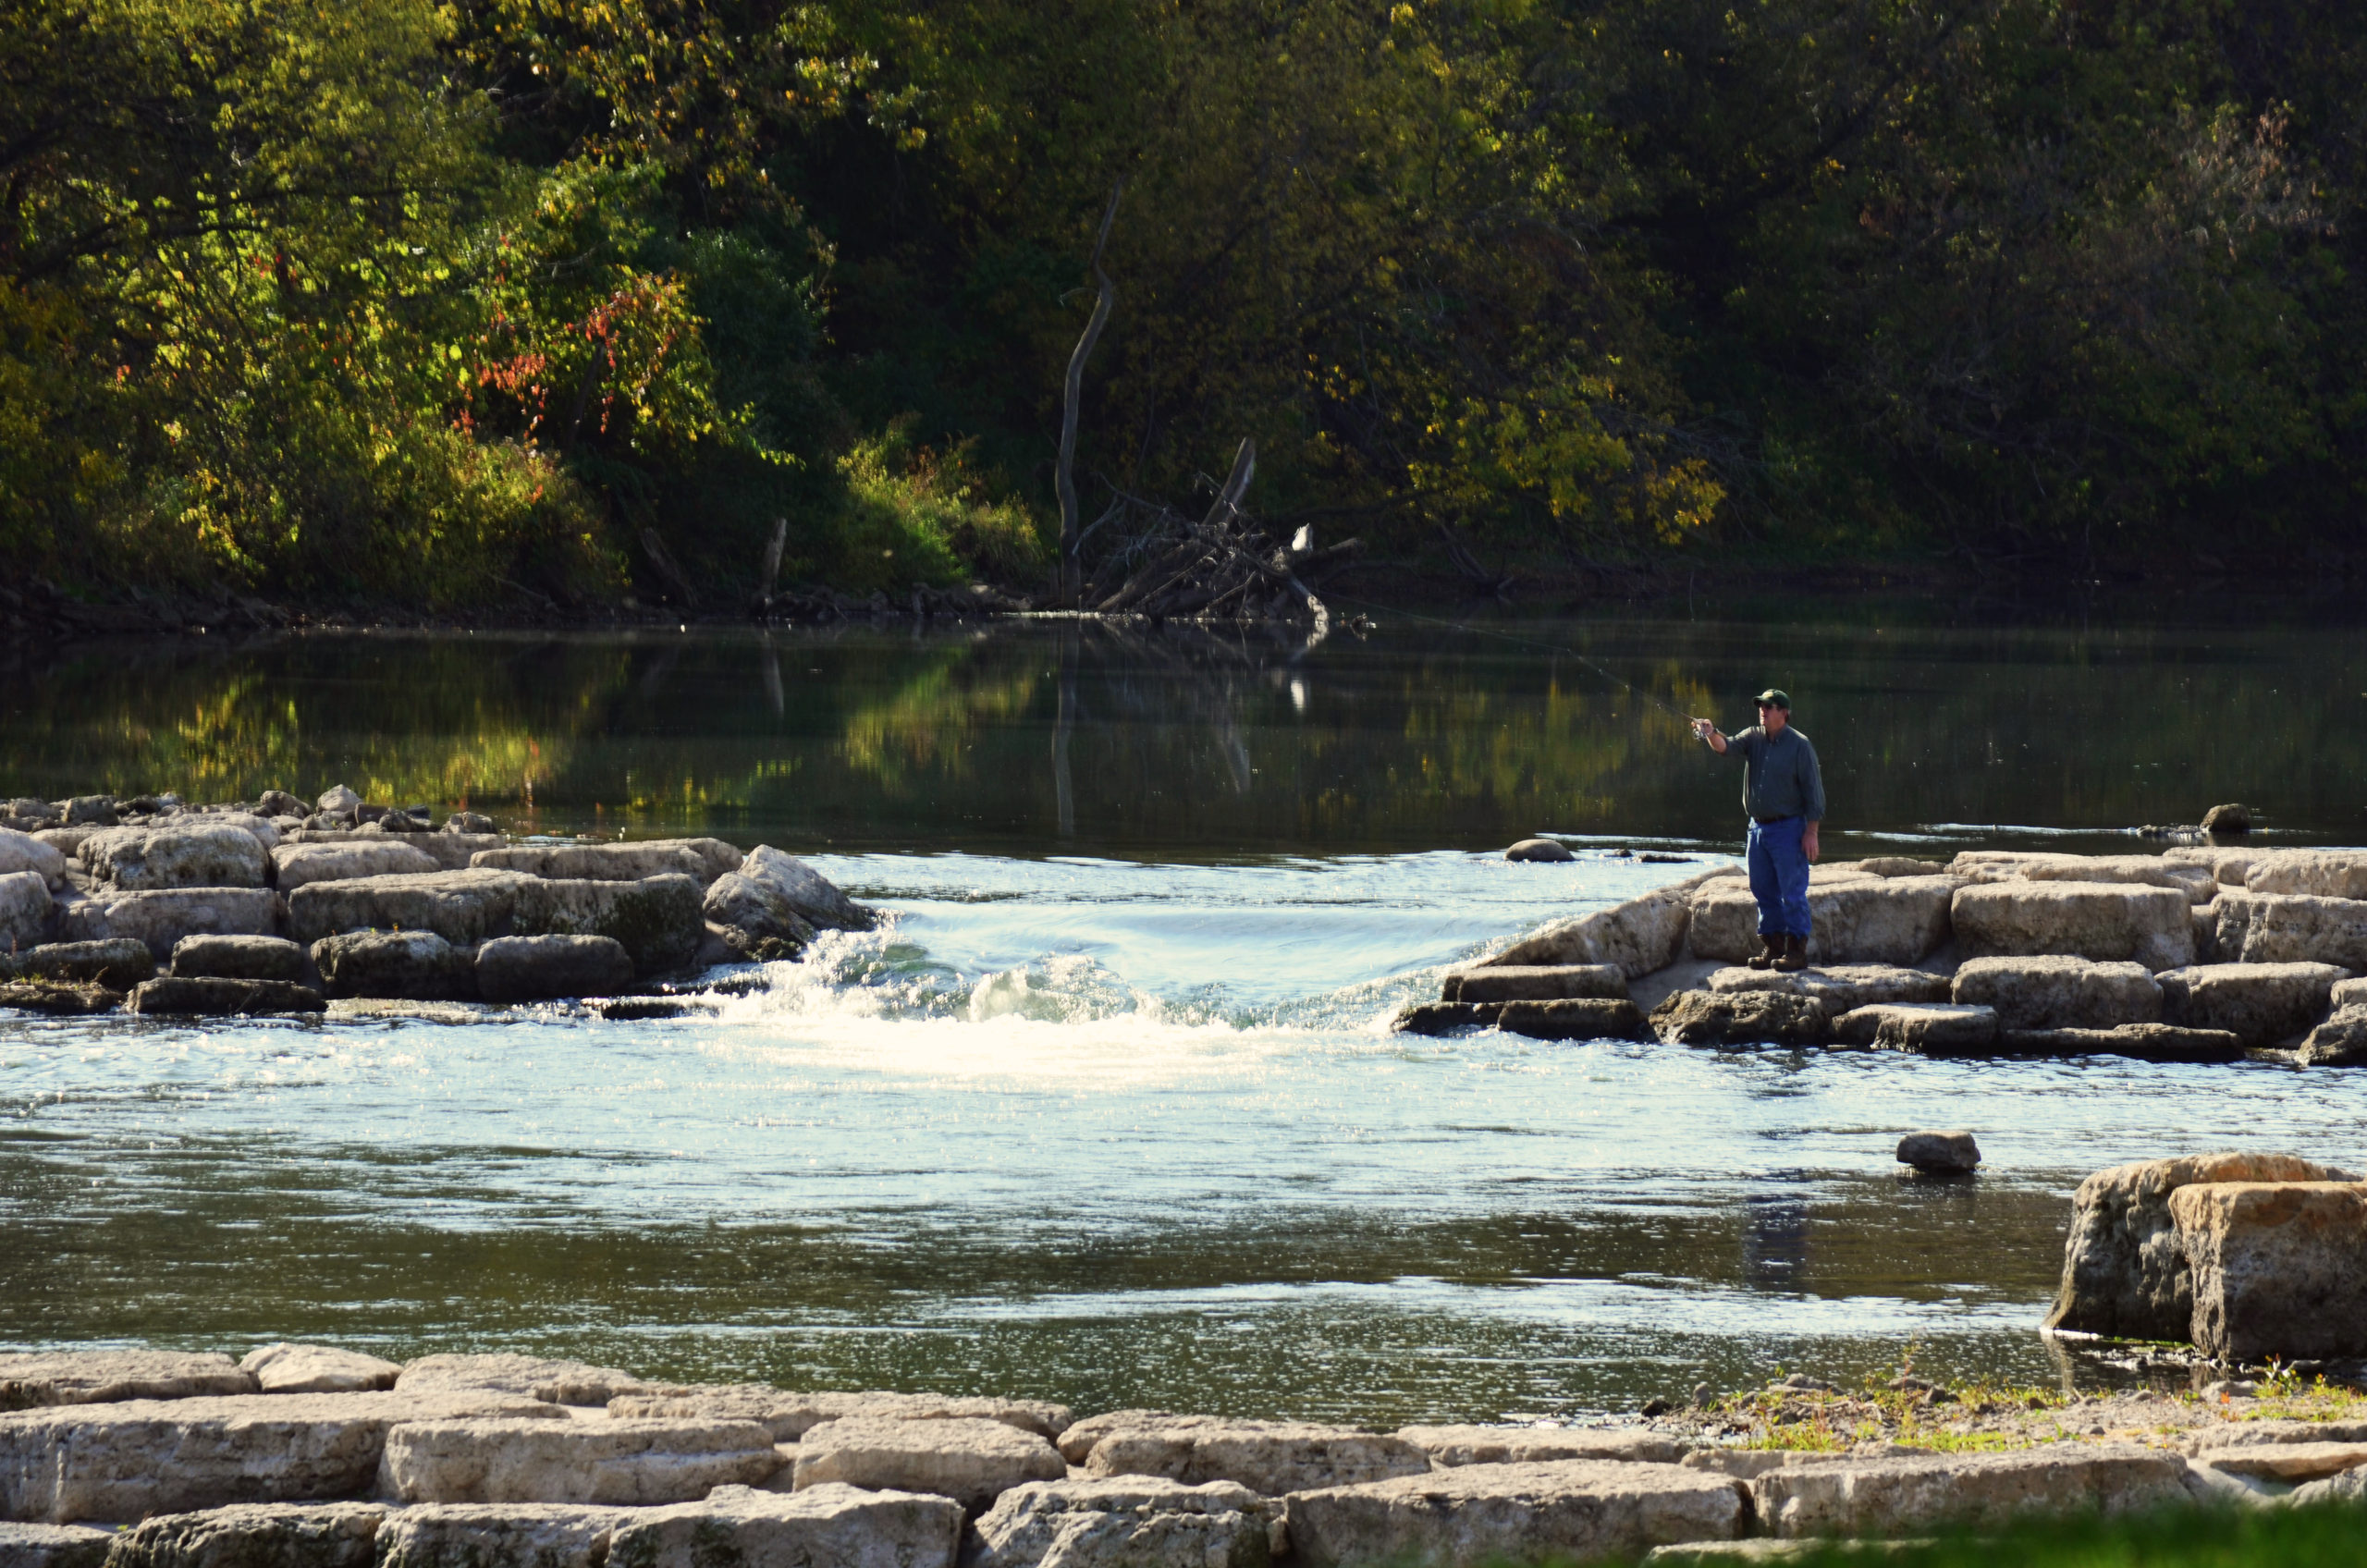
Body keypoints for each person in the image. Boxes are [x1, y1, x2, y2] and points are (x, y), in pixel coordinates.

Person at [1688, 690, 1826, 973]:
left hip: (1789, 828)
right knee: (1762, 889)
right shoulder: (1753, 736)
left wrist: (1811, 831)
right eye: (1761, 706)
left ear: (1784, 713)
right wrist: (1710, 732)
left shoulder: (1800, 746)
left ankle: (1796, 952)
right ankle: (1773, 947)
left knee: (1792, 892)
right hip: (1757, 828)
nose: (1763, 710)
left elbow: (1814, 792)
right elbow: (1725, 747)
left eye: (1769, 707)